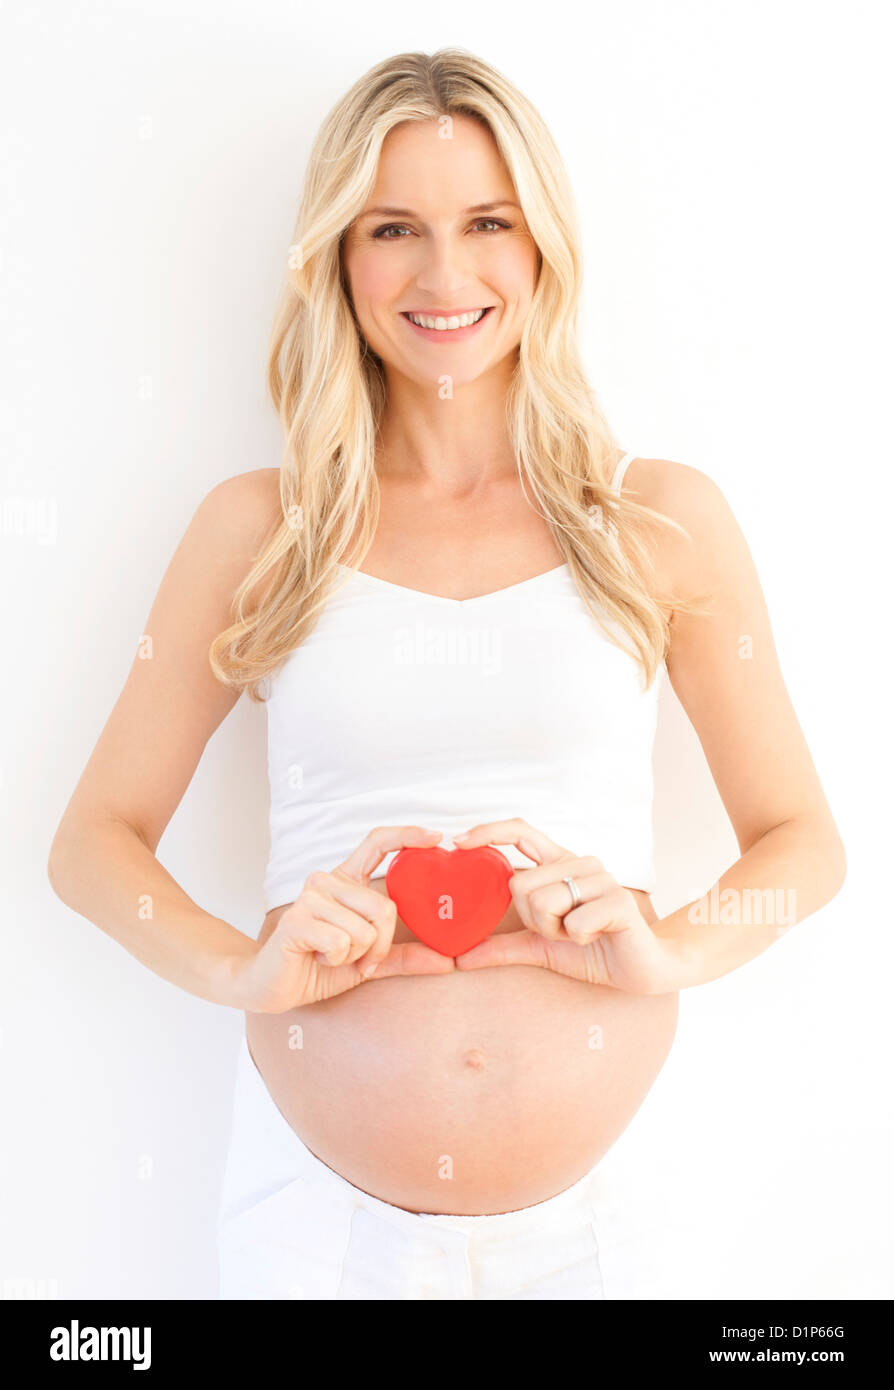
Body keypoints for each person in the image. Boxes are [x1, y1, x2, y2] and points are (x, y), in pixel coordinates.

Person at [47, 48, 846, 1300]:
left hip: (616, 1228)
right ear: (339, 256)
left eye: (487, 222)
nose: (444, 274)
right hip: (318, 1235)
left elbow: (804, 842)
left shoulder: (655, 519)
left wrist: (669, 949)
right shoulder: (265, 528)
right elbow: (94, 843)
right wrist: (239, 971)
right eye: (394, 229)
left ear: (542, 249)